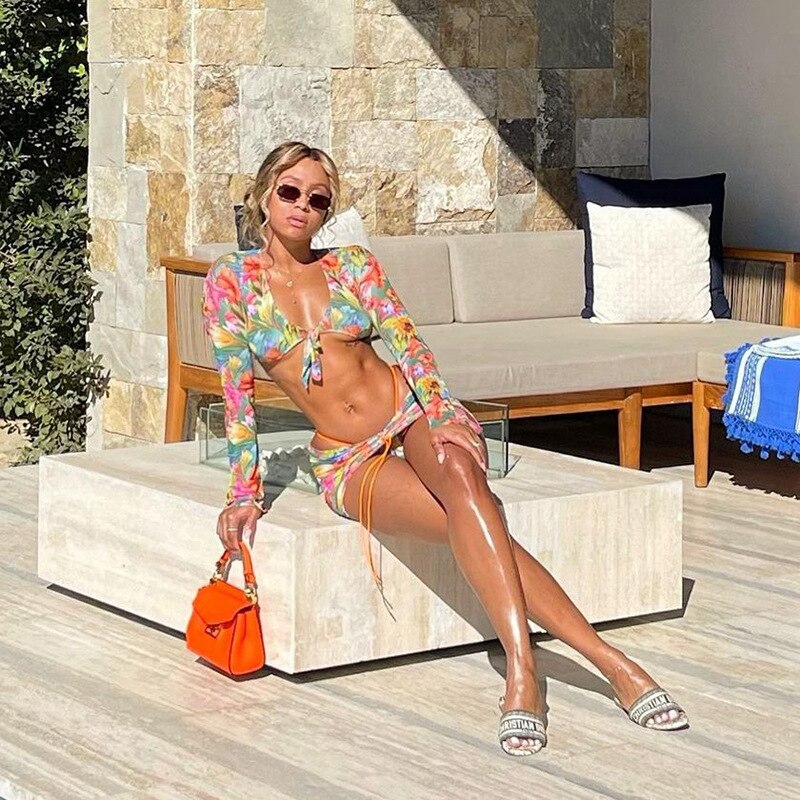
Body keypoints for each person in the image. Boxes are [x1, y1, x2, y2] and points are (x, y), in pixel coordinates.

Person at [201, 140, 688, 757]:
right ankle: (610, 662)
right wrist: (244, 492)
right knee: (476, 525)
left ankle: (522, 672)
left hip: (410, 410)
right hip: (346, 457)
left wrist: (440, 412)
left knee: (463, 481)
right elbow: (237, 395)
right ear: (263, 195)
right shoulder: (231, 282)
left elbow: (407, 344)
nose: (302, 206)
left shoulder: (350, 264)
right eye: (289, 191)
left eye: (318, 199)